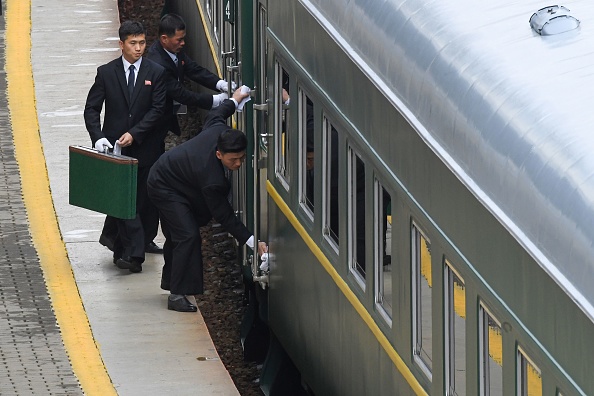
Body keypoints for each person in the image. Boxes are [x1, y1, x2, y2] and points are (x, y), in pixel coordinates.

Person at [147, 87, 267, 313]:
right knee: (187, 235)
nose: (238, 164)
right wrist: (252, 241)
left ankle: (172, 282)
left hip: (176, 179)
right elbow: (224, 215)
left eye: (242, 158)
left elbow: (217, 114)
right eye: (234, 160)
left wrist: (235, 99)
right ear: (219, 154)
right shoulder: (211, 178)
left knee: (178, 234)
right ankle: (177, 295)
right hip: (164, 185)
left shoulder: (217, 130)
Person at [84, 20, 166, 273]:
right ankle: (134, 254)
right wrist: (98, 137)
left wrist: (135, 133)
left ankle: (115, 242)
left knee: (140, 201)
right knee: (122, 202)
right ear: (122, 44)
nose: (139, 48)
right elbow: (91, 109)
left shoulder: (156, 72)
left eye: (142, 43)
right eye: (133, 43)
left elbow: (158, 110)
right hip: (115, 151)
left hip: (147, 150)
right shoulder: (106, 73)